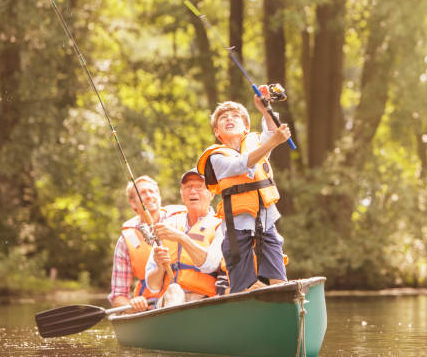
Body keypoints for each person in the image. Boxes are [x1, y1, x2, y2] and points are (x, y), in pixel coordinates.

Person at [197, 86, 291, 293]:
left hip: (266, 220)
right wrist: (274, 141)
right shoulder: (215, 157)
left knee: (278, 280)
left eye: (235, 117)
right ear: (217, 131)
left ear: (246, 127)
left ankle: (282, 302)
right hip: (236, 227)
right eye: (223, 118)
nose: (229, 119)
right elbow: (240, 165)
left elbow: (271, 132)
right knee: (243, 286)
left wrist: (264, 108)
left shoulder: (255, 142)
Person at [145, 168, 227, 305]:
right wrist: (160, 267)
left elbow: (210, 265)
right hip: (170, 299)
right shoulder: (167, 225)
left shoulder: (221, 226)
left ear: (211, 193)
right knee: (174, 290)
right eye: (188, 187)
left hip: (206, 299)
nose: (193, 191)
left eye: (200, 187)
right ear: (182, 193)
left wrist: (181, 238)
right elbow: (152, 285)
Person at [108, 175, 186, 312]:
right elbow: (118, 296)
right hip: (151, 307)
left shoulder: (181, 220)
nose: (149, 196)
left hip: (187, 296)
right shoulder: (126, 240)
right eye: (142, 193)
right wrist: (132, 305)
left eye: (152, 191)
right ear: (133, 203)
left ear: (159, 196)